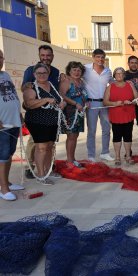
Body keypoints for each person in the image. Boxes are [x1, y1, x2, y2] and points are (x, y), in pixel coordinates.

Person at [23, 63, 66, 185]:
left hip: (52, 121)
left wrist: (63, 104)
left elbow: (60, 99)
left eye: (44, 73)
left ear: (48, 74)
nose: (42, 75)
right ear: (34, 74)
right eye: (39, 73)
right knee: (41, 148)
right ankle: (41, 174)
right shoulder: (30, 88)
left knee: (50, 146)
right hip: (37, 121)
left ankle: (48, 171)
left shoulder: (51, 84)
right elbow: (29, 104)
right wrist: (45, 100)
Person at [0, 49, 24, 201]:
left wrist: (19, 113)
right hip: (3, 125)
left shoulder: (5, 75)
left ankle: (6, 182)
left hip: (13, 121)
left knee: (8, 154)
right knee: (2, 156)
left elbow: (13, 95)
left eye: (1, 57)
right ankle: (3, 189)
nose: (0, 60)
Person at [103, 67, 138, 166]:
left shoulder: (130, 85)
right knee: (117, 136)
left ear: (124, 75)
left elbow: (137, 98)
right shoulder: (110, 86)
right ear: (114, 75)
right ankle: (117, 157)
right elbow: (105, 102)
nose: (119, 75)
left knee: (128, 136)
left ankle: (128, 156)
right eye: (117, 73)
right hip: (116, 115)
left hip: (128, 114)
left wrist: (130, 101)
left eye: (121, 73)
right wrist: (115, 103)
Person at [84, 49, 114, 162]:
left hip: (105, 103)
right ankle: (91, 155)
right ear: (93, 57)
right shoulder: (85, 69)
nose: (100, 59)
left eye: (102, 57)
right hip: (91, 103)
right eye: (97, 57)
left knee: (106, 129)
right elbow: (76, 79)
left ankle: (105, 153)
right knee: (91, 130)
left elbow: (113, 84)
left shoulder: (108, 71)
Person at [59, 61, 88, 168]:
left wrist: (86, 102)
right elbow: (61, 95)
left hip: (79, 112)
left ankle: (73, 158)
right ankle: (69, 161)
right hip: (70, 111)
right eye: (74, 70)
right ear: (69, 71)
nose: (77, 72)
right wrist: (75, 103)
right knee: (71, 136)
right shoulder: (66, 81)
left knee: (75, 136)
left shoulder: (81, 82)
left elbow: (83, 95)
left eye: (79, 70)